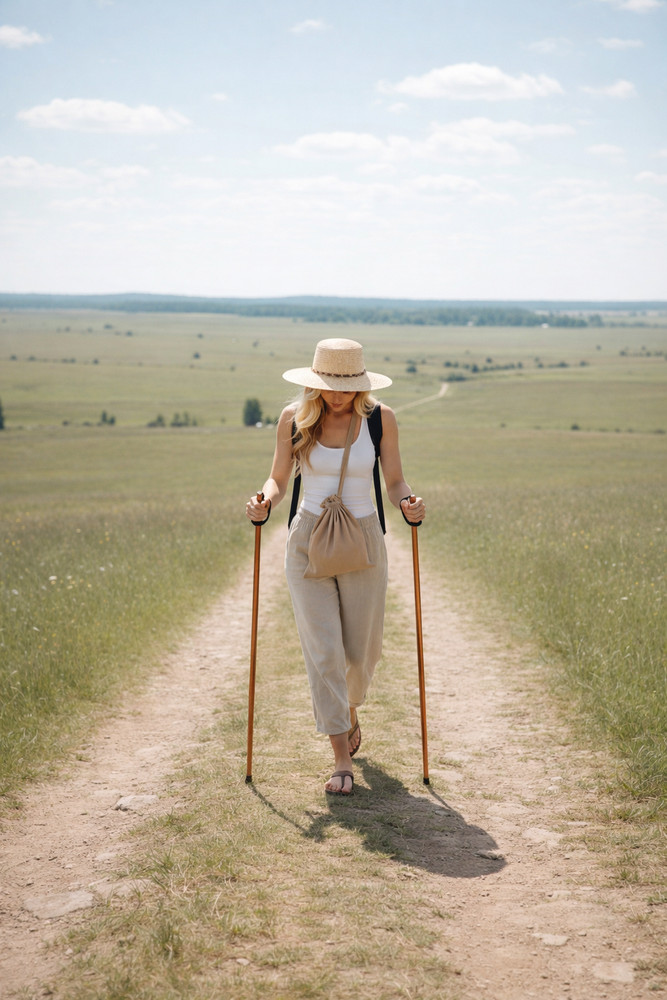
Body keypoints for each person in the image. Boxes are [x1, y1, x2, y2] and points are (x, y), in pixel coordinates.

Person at [245, 338, 425, 796]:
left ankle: (349, 707)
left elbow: (395, 478)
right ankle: (341, 757)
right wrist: (265, 498)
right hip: (308, 540)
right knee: (323, 650)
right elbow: (279, 477)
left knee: (361, 656)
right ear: (316, 382)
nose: (338, 394)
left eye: (346, 386)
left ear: (360, 383)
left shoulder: (380, 420)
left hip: (363, 538)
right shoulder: (294, 420)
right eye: (330, 385)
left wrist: (407, 501)